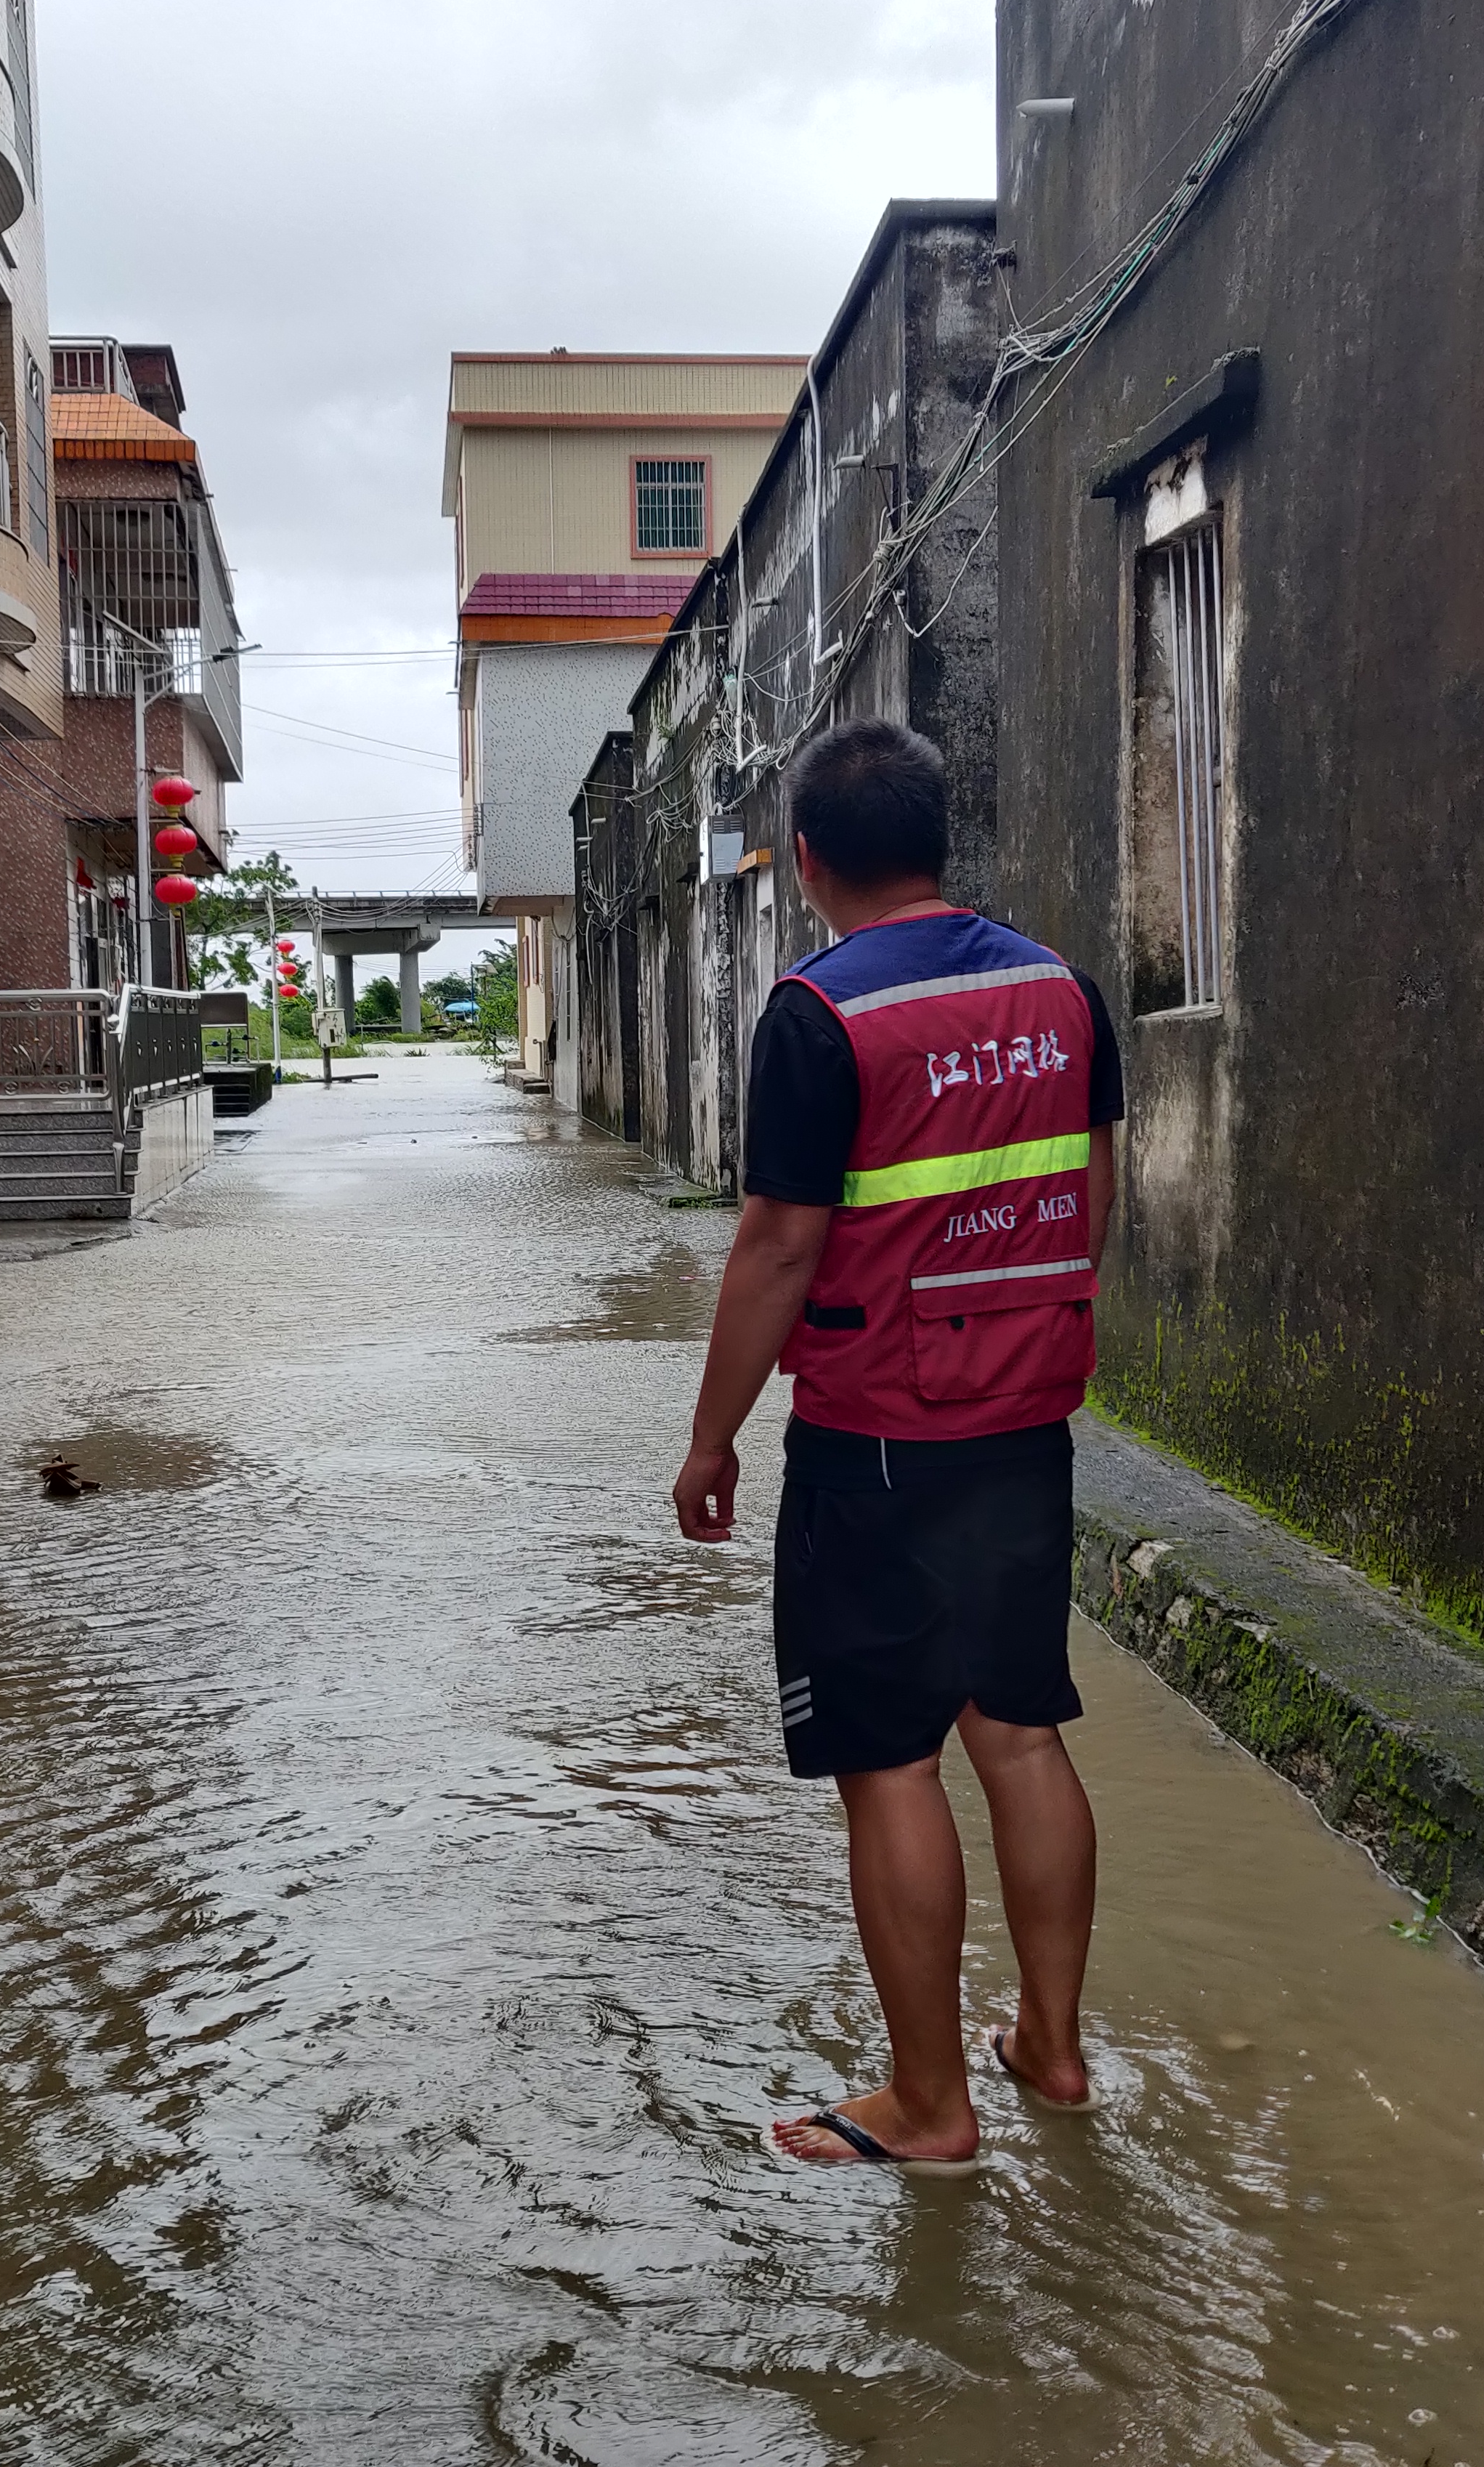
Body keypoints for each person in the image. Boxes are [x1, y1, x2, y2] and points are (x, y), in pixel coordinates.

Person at [672, 718, 1123, 2174]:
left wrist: (711, 1438)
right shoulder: (1065, 994)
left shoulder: (820, 1017)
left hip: (877, 1442)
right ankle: (1051, 2051)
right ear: (944, 838)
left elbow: (778, 1250)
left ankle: (930, 2107)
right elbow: (1090, 1192)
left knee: (890, 1767)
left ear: (808, 865)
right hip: (1027, 1422)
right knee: (1019, 1729)